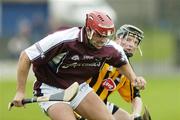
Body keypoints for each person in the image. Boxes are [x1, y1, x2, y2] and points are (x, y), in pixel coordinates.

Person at [12, 11, 146, 120]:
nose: (103, 40)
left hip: (79, 87)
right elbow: (26, 56)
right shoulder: (64, 39)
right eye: (99, 35)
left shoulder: (109, 47)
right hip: (50, 88)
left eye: (106, 36)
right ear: (88, 30)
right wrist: (20, 91)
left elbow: (121, 61)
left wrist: (134, 79)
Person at [76, 24, 145, 120]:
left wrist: (136, 114)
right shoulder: (100, 55)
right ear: (117, 38)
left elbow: (135, 96)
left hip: (100, 104)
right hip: (78, 102)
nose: (132, 45)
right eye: (128, 39)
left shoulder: (127, 72)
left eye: (135, 42)